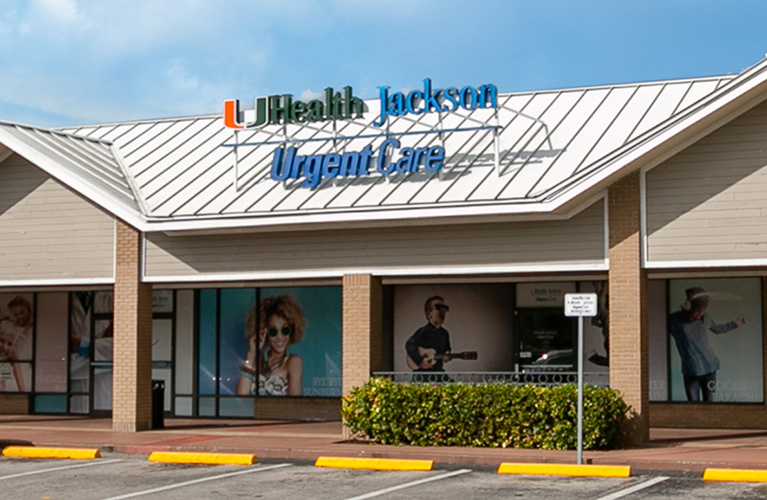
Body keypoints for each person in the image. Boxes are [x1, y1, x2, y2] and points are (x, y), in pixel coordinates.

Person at [669, 286, 745, 402]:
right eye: (698, 311)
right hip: (690, 371)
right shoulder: (675, 320)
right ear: (688, 307)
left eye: (703, 311)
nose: (700, 314)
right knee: (693, 407)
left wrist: (736, 323)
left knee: (709, 405)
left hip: (709, 368)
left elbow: (718, 329)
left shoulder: (705, 317)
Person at [236, 294, 306, 396]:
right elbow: (241, 396)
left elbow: (295, 405)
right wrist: (252, 352)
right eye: (273, 331)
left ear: (292, 331)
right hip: (255, 412)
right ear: (264, 333)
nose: (280, 337)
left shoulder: (293, 362)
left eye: (285, 330)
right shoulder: (257, 360)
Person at [406, 296, 452, 372]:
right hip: (422, 373)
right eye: (438, 308)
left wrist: (446, 355)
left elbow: (446, 349)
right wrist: (420, 361)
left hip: (438, 370)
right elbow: (410, 344)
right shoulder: (424, 332)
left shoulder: (444, 333)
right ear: (429, 314)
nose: (442, 312)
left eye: (444, 309)